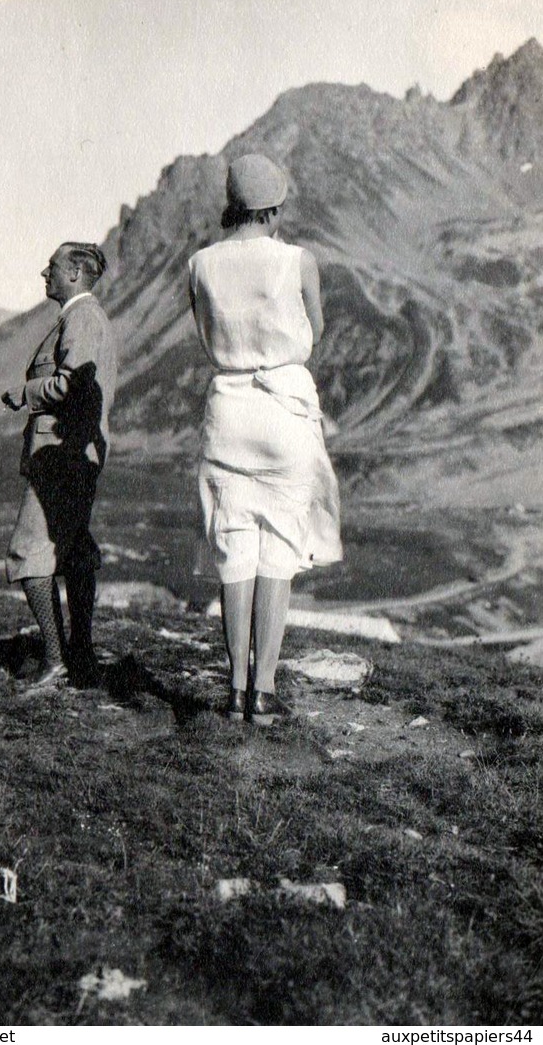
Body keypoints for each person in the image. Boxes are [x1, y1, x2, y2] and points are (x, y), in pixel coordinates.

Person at [189, 154, 342, 726]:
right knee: (279, 548)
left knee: (234, 550)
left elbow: (204, 328)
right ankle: (265, 689)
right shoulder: (297, 260)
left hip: (228, 409)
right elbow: (316, 329)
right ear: (273, 207)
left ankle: (232, 688)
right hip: (284, 408)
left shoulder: (200, 264)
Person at [2, 241, 117, 690]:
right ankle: (80, 655)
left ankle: (56, 661)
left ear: (74, 273)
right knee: (73, 551)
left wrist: (25, 395)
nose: (43, 274)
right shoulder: (82, 318)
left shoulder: (82, 318)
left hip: (61, 456)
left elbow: (71, 385)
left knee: (28, 550)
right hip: (73, 456)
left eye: (51, 267)